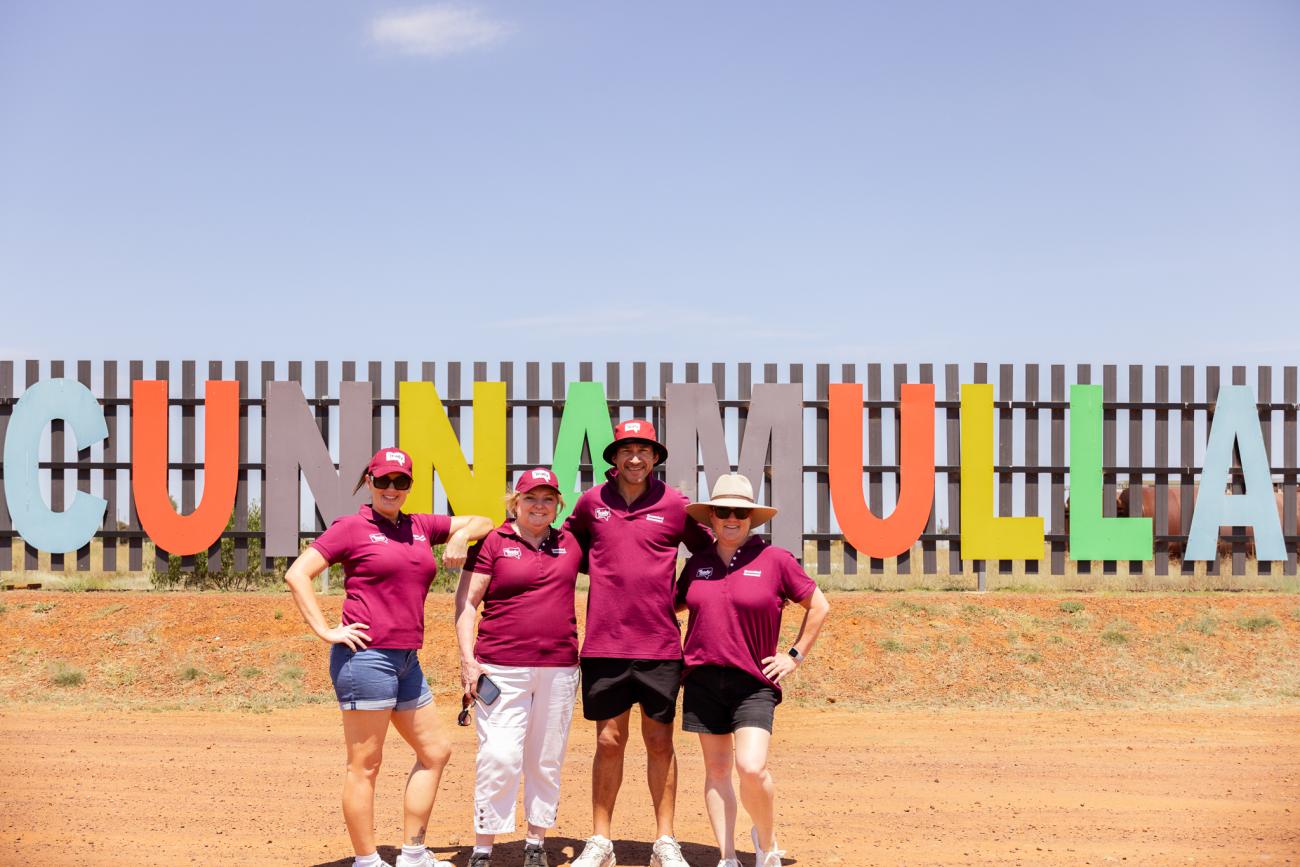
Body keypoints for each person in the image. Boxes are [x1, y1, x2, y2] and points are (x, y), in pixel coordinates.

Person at [284, 447, 493, 867]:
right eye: (383, 481)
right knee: (366, 764)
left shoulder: (419, 526)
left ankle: (413, 854)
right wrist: (327, 630)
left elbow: (486, 521)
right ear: (370, 483)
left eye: (401, 482)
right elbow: (297, 573)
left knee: (435, 751)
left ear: (409, 486)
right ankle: (367, 861)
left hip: (406, 660)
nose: (391, 489)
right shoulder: (351, 527)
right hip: (365, 659)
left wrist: (456, 534)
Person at [565, 420, 713, 867]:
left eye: (643, 450)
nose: (634, 458)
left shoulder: (675, 504)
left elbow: (707, 555)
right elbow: (570, 550)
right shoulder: (592, 502)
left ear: (655, 457)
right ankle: (600, 841)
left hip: (660, 644)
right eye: (626, 450)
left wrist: (680, 598)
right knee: (609, 740)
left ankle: (665, 841)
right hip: (604, 644)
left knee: (659, 742)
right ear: (613, 457)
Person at [676, 473, 830, 867]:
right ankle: (727, 856)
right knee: (717, 770)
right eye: (723, 511)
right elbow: (670, 607)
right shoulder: (697, 565)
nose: (732, 518)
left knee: (751, 767)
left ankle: (765, 840)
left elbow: (819, 606)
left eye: (740, 512)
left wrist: (793, 656)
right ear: (710, 517)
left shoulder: (775, 560)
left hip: (753, 682)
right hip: (702, 678)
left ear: (751, 518)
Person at [453, 468, 584, 867]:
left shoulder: (570, 544)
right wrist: (467, 662)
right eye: (531, 498)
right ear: (516, 502)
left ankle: (535, 844)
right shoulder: (494, 541)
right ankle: (482, 849)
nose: (539, 506)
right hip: (500, 666)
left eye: (548, 499)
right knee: (500, 755)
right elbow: (466, 605)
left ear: (558, 505)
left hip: (559, 668)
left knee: (546, 758)